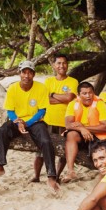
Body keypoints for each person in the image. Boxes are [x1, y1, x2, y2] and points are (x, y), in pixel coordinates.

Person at [0, 60, 60, 193]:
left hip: (35, 122)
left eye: (30, 72)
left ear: (33, 74)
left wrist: (27, 123)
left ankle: (51, 176)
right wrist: (17, 122)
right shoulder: (13, 88)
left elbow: (42, 111)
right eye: (24, 72)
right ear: (19, 73)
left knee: (46, 141)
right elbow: (10, 110)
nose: (26, 75)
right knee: (1, 131)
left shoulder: (41, 88)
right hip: (17, 120)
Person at [32, 54, 78, 182]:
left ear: (67, 65)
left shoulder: (73, 81)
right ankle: (36, 176)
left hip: (65, 122)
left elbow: (70, 98)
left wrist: (53, 95)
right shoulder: (48, 81)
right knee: (40, 150)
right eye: (58, 63)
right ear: (54, 65)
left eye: (64, 63)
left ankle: (56, 176)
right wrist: (61, 98)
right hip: (47, 121)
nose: (61, 66)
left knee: (62, 151)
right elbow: (45, 100)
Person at [62, 81, 106, 183]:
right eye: (84, 93)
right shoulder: (73, 104)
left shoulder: (100, 103)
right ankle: (70, 171)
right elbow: (68, 125)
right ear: (78, 95)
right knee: (71, 134)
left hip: (98, 136)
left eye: (90, 93)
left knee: (103, 153)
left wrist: (84, 127)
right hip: (80, 135)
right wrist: (82, 129)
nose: (88, 96)